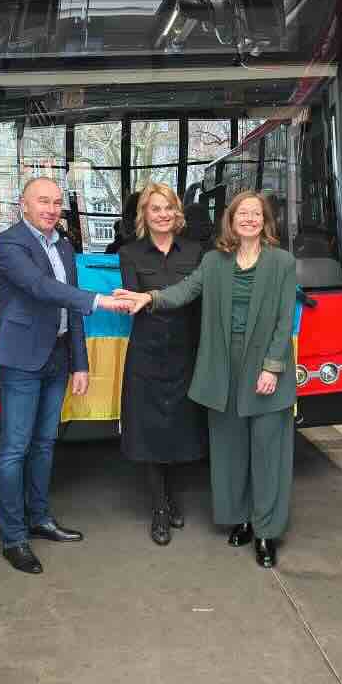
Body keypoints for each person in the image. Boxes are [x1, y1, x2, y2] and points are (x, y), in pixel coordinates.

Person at [116, 190, 297, 568]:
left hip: (264, 367)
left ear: (265, 221)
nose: (249, 219)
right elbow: (185, 290)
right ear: (230, 220)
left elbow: (284, 320)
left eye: (256, 214)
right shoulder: (214, 261)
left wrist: (272, 367)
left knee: (268, 452)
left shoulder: (282, 262)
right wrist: (150, 298)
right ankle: (240, 519)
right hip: (223, 367)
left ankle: (266, 531)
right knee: (230, 450)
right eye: (242, 213)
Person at [0, 177, 132, 575]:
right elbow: (41, 288)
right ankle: (14, 537)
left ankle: (39, 518)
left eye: (56, 202)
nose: (51, 209)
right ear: (23, 205)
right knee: (14, 449)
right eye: (43, 201)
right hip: (20, 359)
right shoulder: (9, 244)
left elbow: (70, 312)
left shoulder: (64, 246)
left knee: (44, 444)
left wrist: (80, 363)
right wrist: (99, 300)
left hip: (56, 357)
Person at [117, 183, 209, 545]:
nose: (163, 214)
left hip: (186, 353)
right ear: (144, 214)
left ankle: (173, 500)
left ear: (177, 212)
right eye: (155, 208)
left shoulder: (197, 251)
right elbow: (136, 303)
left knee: (180, 430)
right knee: (151, 432)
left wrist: (156, 298)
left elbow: (199, 300)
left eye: (168, 207)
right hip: (148, 354)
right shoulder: (129, 253)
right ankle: (159, 508)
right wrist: (165, 299)